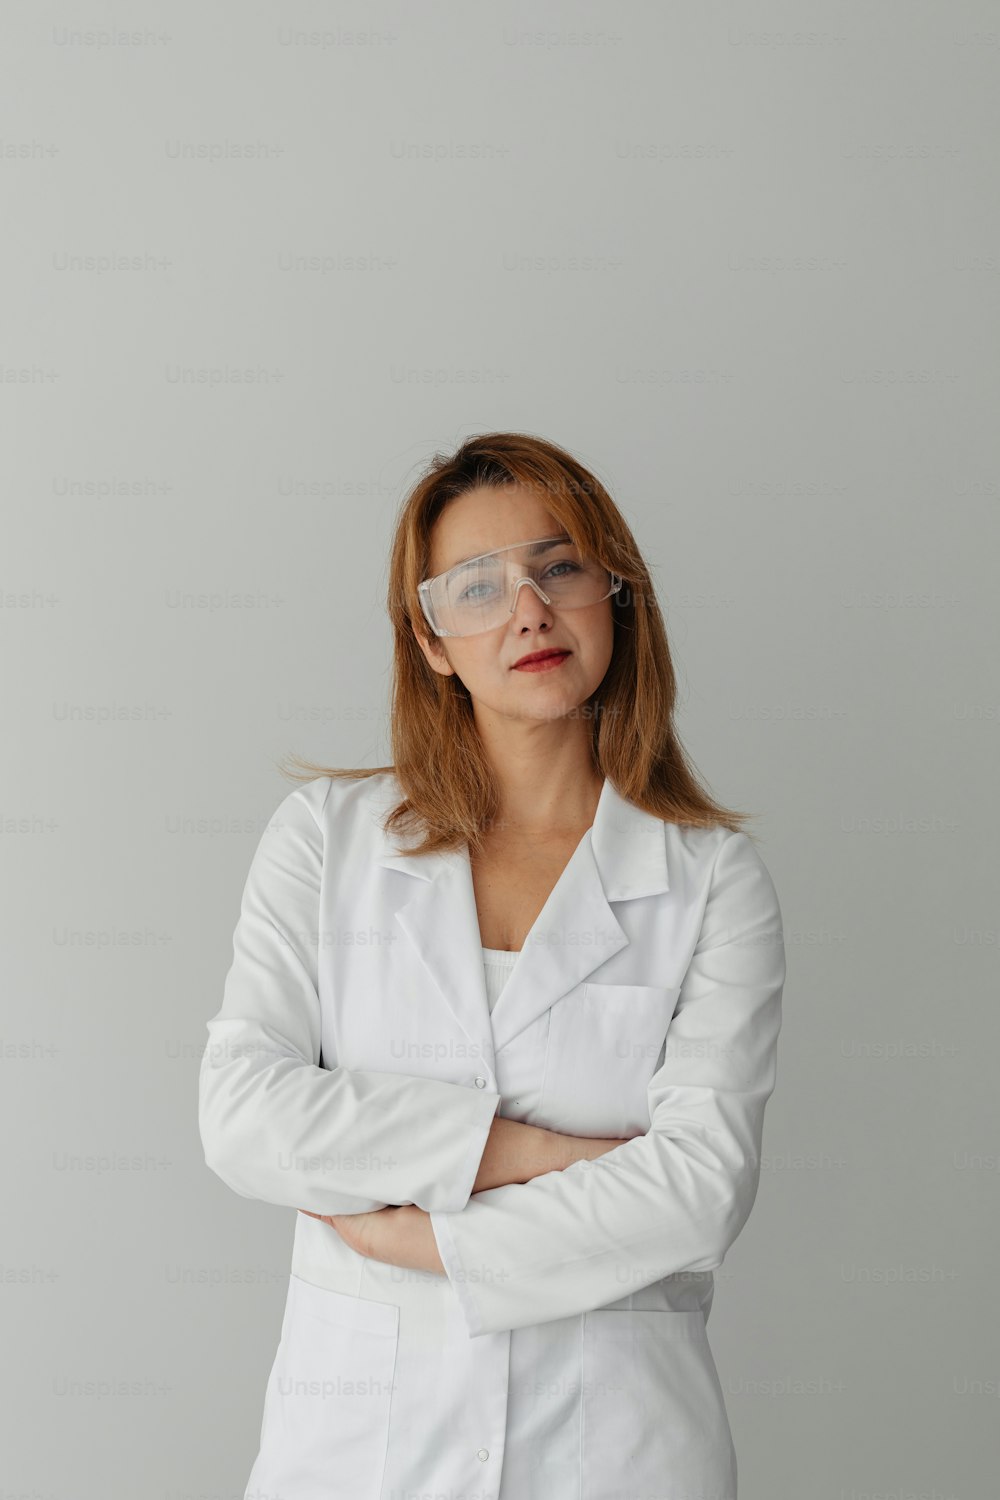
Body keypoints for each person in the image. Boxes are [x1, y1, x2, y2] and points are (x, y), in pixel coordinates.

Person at [198, 430, 786, 1500]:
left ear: (615, 592)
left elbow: (698, 1193)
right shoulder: (325, 841)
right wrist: (530, 1151)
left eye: (558, 567)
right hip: (360, 1454)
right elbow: (245, 1116)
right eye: (475, 586)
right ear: (430, 642)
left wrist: (422, 1240)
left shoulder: (710, 879)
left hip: (617, 1452)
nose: (526, 608)